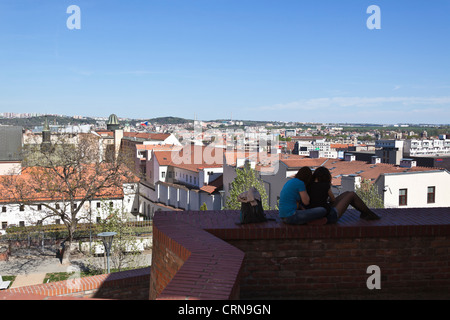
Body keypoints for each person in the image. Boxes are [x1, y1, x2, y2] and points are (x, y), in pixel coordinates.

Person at [307, 166, 381, 223]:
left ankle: (366, 213)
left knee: (347, 193)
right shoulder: (325, 186)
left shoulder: (309, 185)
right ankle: (369, 214)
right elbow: (333, 200)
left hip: (317, 213)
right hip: (329, 216)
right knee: (351, 194)